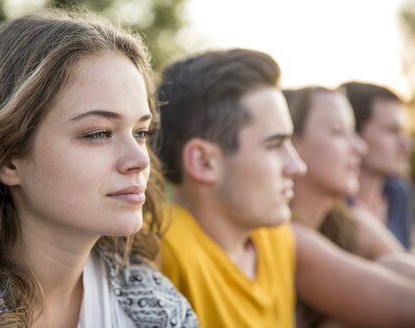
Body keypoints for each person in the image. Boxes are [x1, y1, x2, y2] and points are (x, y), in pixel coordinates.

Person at [0, 10, 198, 328]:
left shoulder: (158, 308)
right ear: (9, 158)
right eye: (98, 133)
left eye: (141, 132)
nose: (139, 159)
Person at [156, 48, 415, 328]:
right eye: (274, 145)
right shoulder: (159, 246)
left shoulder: (277, 240)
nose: (296, 166)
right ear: (204, 162)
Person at [285, 86, 415, 327]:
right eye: (338, 132)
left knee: (391, 265)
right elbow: (402, 306)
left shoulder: (349, 220)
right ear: (292, 145)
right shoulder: (287, 235)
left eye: (353, 131)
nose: (359, 147)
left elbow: (404, 268)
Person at [340, 81, 413, 249]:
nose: (406, 145)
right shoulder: (336, 206)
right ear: (355, 133)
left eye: (404, 132)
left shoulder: (397, 193)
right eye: (392, 131)